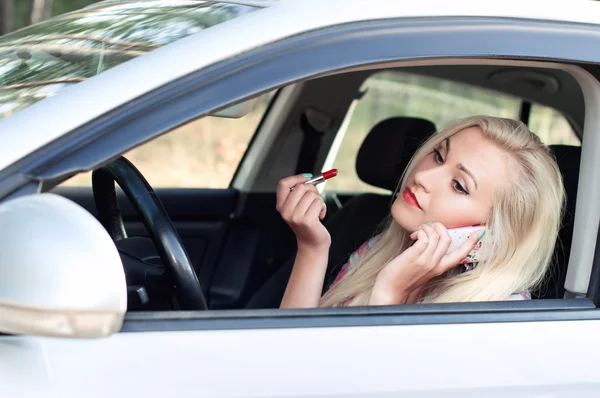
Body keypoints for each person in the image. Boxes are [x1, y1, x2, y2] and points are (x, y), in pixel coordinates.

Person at [275, 115, 565, 308]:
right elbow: (290, 357)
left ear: (490, 233)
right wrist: (312, 248)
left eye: (459, 186)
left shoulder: (502, 314)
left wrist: (389, 295)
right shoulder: (382, 248)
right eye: (438, 155)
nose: (423, 177)